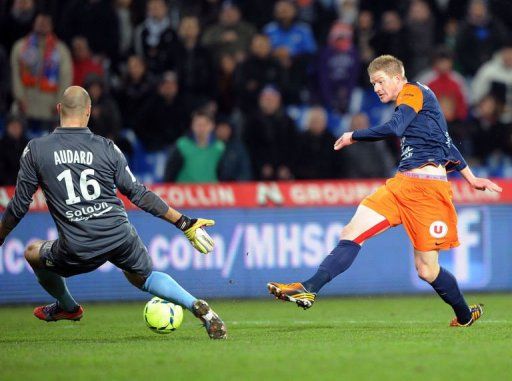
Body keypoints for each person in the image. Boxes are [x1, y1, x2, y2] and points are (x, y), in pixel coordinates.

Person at [267, 55, 502, 327]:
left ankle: (464, 315)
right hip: (400, 185)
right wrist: (471, 178)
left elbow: (395, 128)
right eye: (372, 84)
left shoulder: (412, 92)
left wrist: (353, 135)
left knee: (427, 270)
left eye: (380, 81)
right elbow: (446, 143)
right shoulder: (419, 106)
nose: (376, 88)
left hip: (428, 192)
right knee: (351, 232)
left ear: (398, 77)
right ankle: (308, 287)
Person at [0, 86, 227, 340]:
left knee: (32, 252)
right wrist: (184, 222)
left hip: (78, 245)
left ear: (58, 110)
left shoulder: (36, 149)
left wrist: (1, 235)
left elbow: (19, 205)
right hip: (119, 235)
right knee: (143, 277)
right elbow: (138, 193)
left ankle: (67, 307)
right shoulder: (107, 147)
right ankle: (199, 307)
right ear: (88, 112)